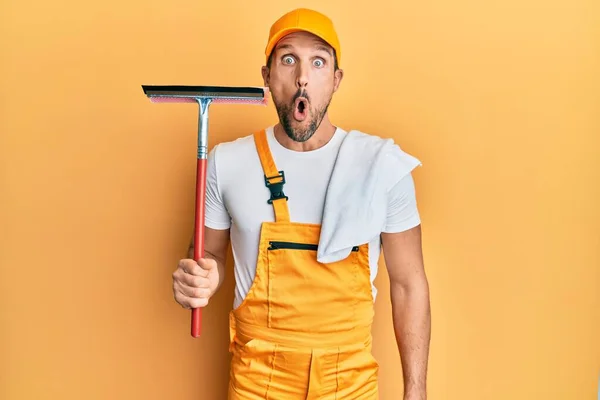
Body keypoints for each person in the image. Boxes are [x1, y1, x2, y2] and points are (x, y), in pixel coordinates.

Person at [172, 8, 431, 400]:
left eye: (318, 61)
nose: (302, 78)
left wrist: (416, 391)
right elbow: (209, 254)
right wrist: (200, 277)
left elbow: (409, 286)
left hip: (350, 384)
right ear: (266, 76)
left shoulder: (381, 168)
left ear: (336, 80)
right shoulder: (226, 163)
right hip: (257, 382)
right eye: (288, 59)